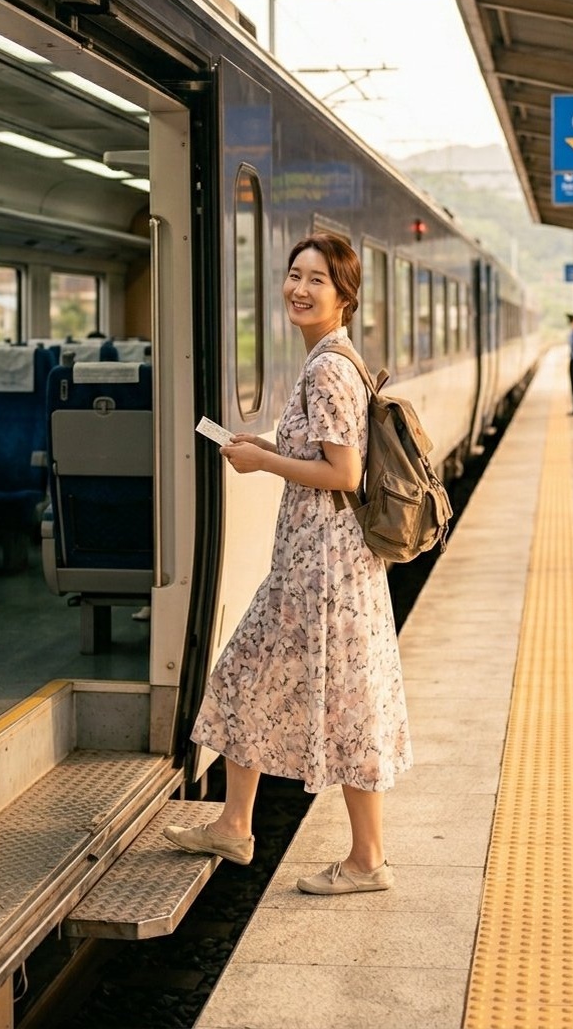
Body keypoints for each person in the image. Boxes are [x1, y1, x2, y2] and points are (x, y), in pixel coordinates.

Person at [163, 232, 412, 895]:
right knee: (259, 677)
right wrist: (267, 444)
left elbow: (344, 472)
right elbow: (328, 455)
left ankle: (365, 860)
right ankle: (237, 824)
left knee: (333, 697)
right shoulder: (334, 360)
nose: (299, 289)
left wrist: (263, 461)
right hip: (319, 565)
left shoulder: (328, 369)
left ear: (344, 296)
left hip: (321, 572)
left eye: (317, 281)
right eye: (294, 274)